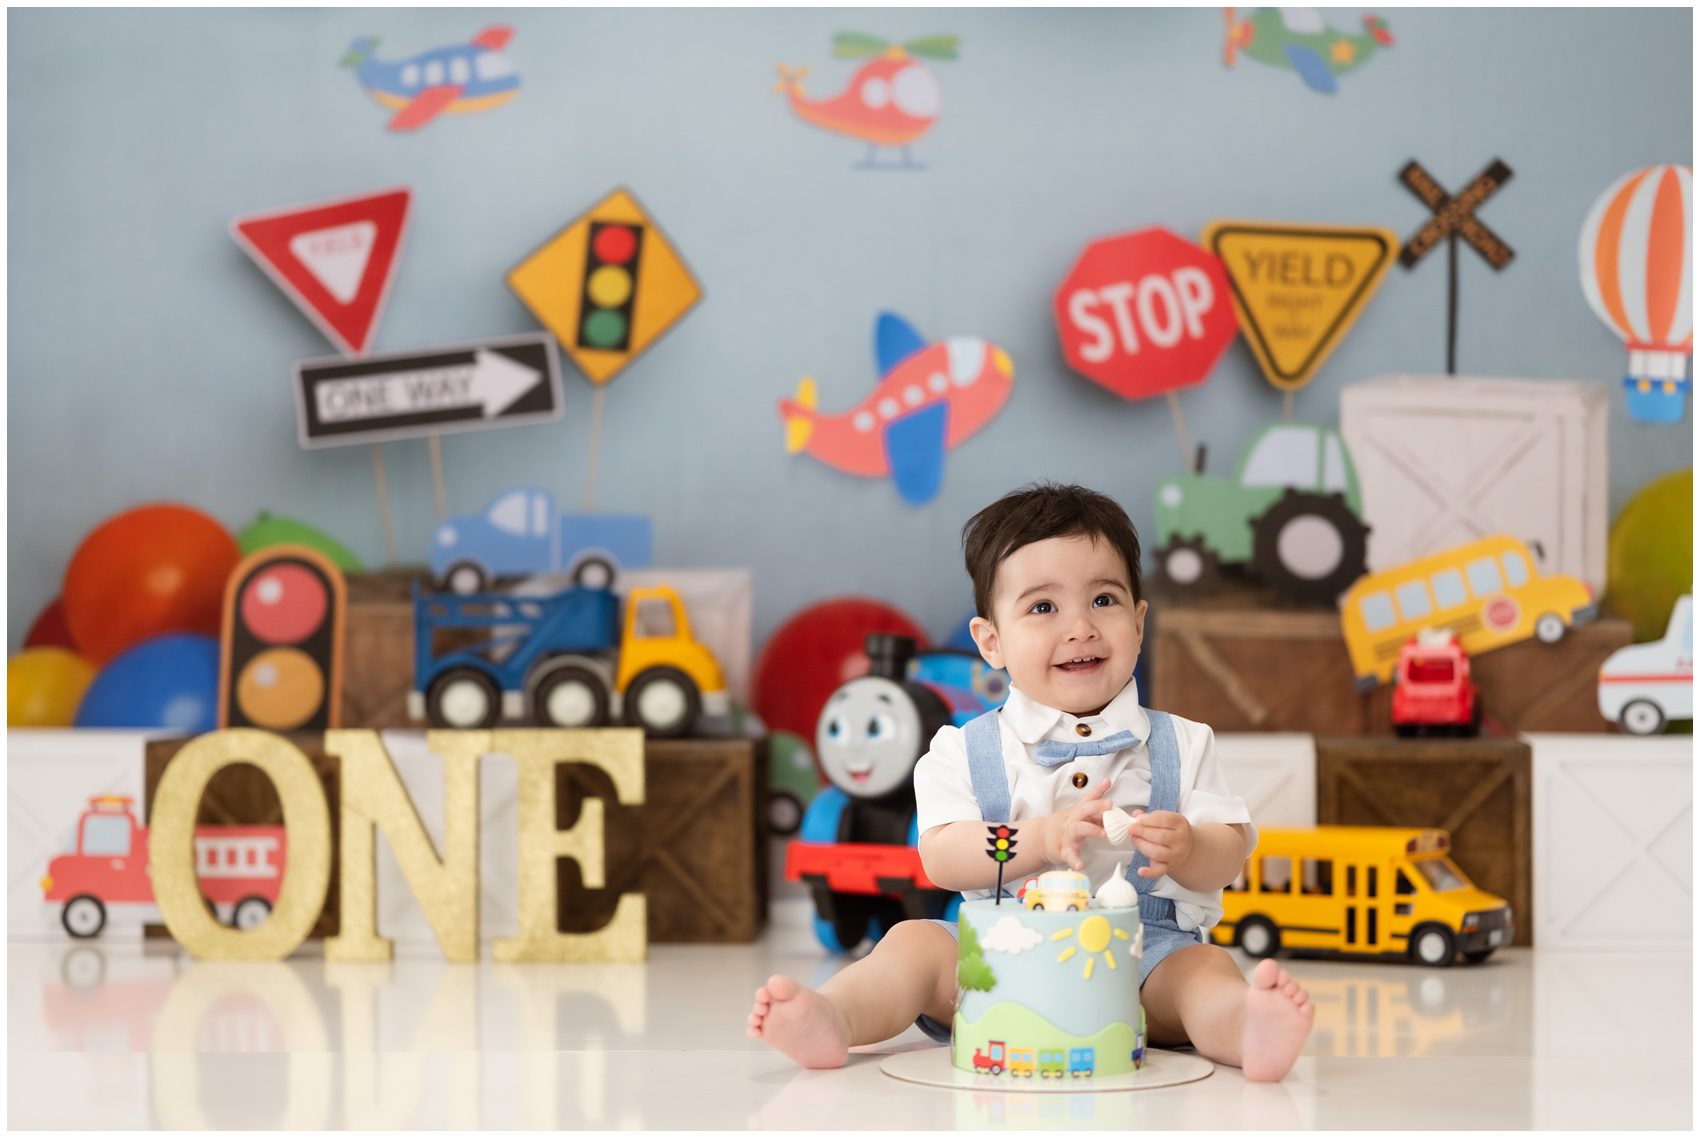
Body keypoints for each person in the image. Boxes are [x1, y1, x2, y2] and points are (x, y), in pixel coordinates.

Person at [748, 483, 1314, 1081]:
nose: (1080, 627)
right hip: (1001, 954)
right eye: (1043, 608)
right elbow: (941, 856)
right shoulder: (965, 749)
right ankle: (835, 1017)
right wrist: (1040, 839)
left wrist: (1194, 848)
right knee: (915, 944)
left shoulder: (1182, 742)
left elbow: (1229, 854)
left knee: (1204, 971)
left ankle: (1247, 1028)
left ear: (1140, 621)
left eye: (1104, 600)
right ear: (991, 641)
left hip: (1142, 961)